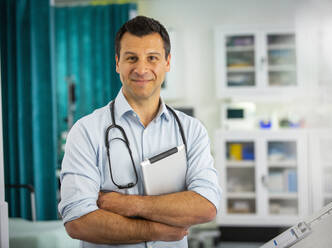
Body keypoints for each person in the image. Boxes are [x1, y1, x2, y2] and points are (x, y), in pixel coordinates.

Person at [58, 15, 221, 248]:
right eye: (131, 58)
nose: (141, 69)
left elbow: (206, 205)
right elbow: (78, 221)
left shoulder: (191, 130)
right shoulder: (86, 131)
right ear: (117, 63)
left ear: (167, 62)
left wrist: (131, 205)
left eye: (152, 58)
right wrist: (156, 230)